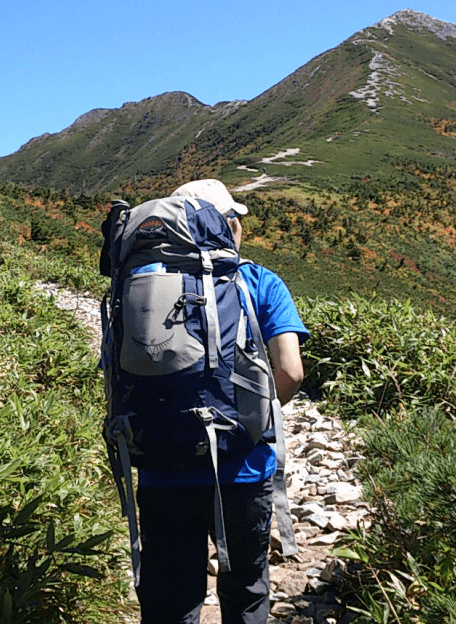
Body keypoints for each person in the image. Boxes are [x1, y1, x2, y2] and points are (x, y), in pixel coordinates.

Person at [134, 178, 308, 624]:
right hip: (242, 467)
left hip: (159, 464)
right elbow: (290, 371)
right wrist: (249, 418)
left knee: (169, 600)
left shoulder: (137, 286)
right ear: (226, 223)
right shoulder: (258, 281)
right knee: (246, 591)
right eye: (236, 218)